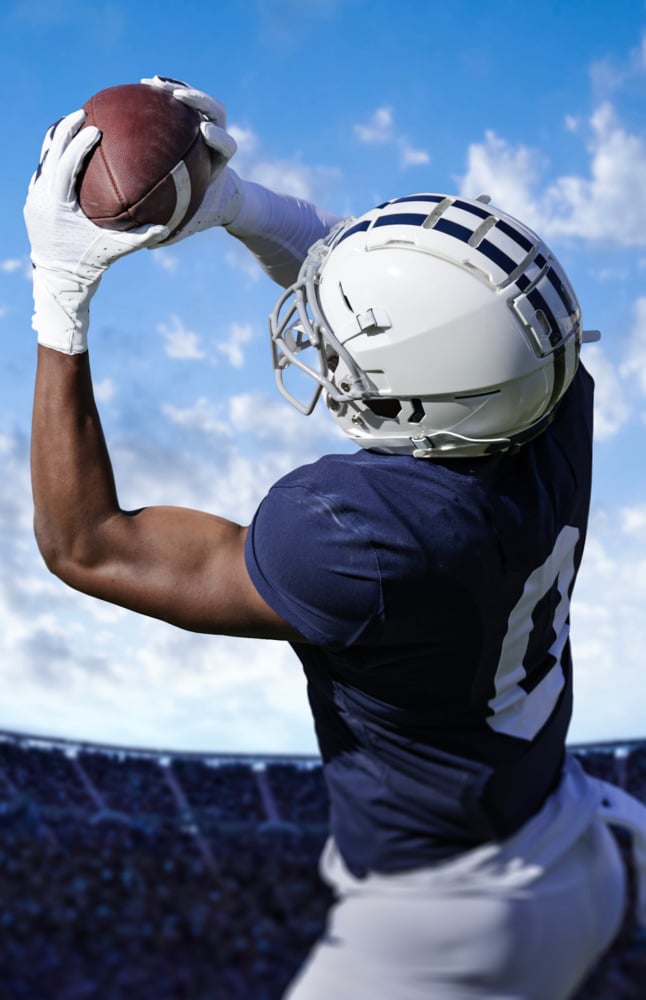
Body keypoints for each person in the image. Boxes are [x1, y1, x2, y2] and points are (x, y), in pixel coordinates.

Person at [24, 77, 646, 1000]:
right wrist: (237, 205)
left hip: (447, 922)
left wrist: (59, 293)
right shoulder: (548, 389)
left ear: (404, 405)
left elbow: (91, 546)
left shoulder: (361, 537)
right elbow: (431, 312)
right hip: (569, 834)